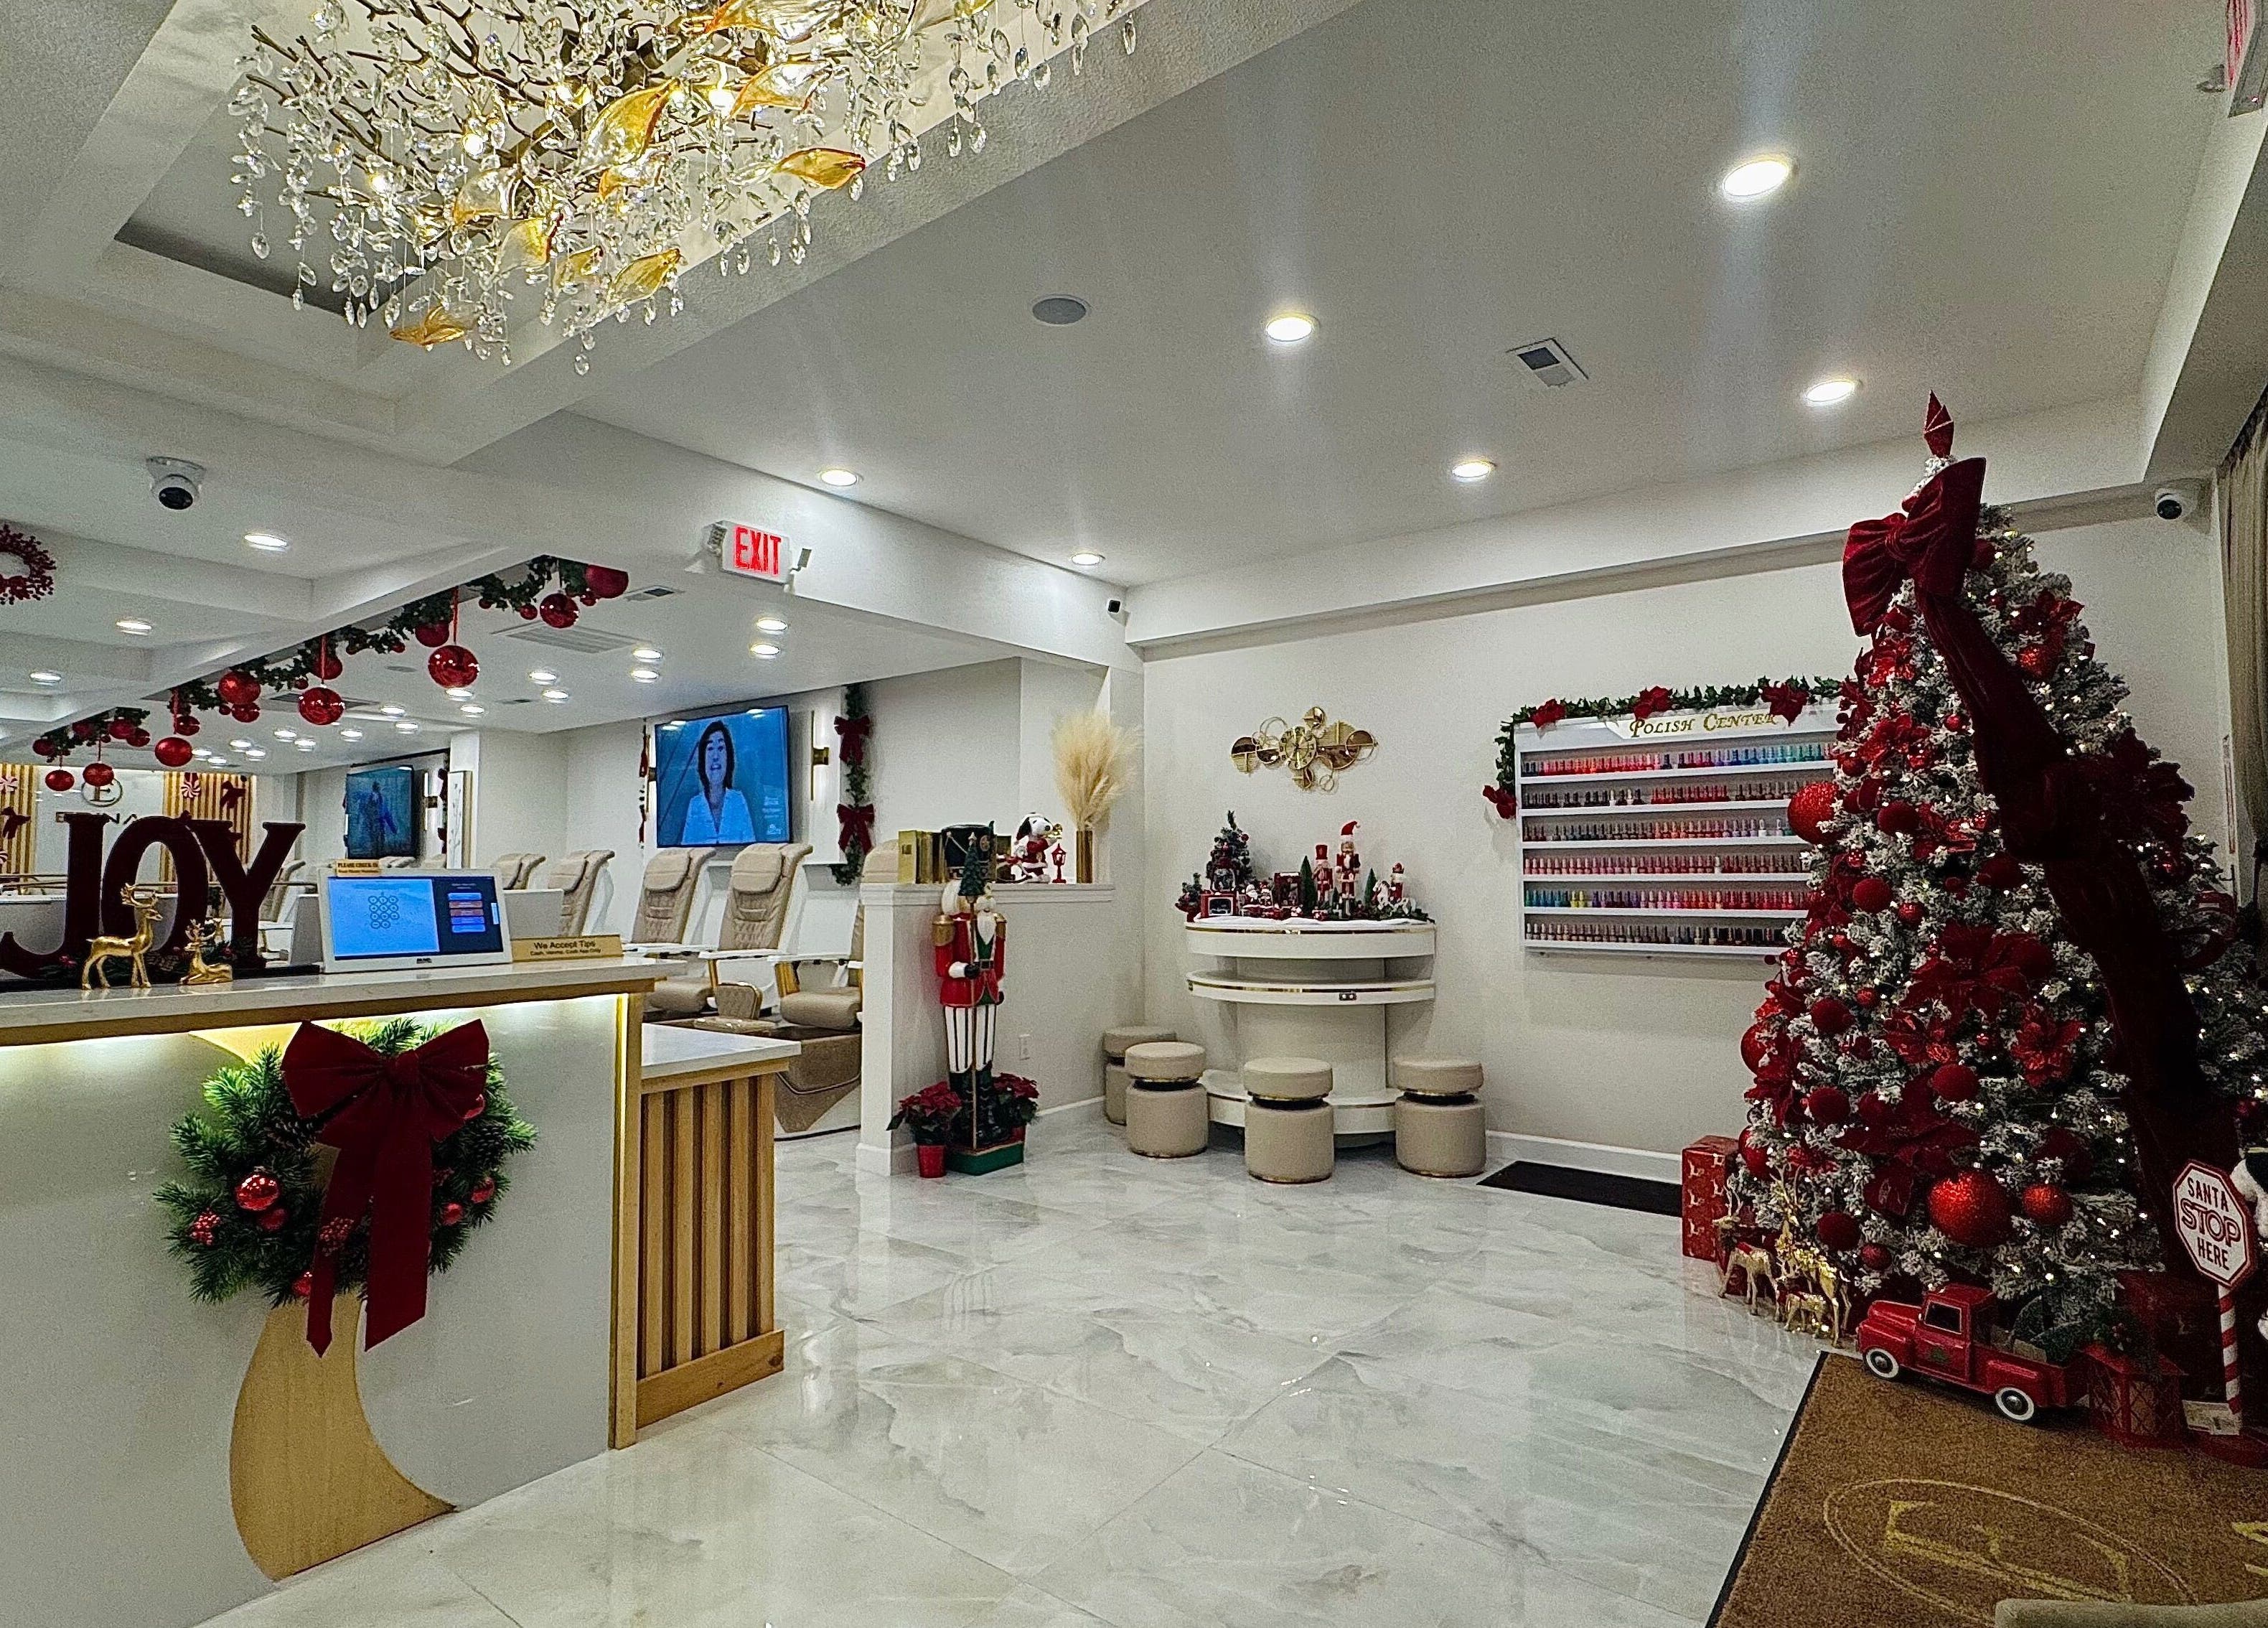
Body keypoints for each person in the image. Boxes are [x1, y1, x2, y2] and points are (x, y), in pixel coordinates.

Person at [679, 720, 756, 844]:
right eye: (710, 749)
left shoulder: (738, 800)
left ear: (728, 757)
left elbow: (751, 848)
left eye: (721, 748)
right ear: (703, 759)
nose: (715, 756)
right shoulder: (695, 804)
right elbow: (686, 850)